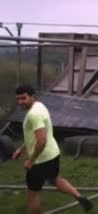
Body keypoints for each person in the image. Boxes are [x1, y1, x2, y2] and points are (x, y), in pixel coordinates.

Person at [12, 85, 93, 214]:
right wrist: (21, 149)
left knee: (33, 195)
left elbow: (42, 140)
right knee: (54, 178)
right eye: (18, 99)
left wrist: (31, 161)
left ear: (32, 96)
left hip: (40, 161)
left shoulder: (33, 114)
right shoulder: (40, 106)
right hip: (53, 154)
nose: (20, 102)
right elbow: (34, 136)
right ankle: (79, 196)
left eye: (23, 98)